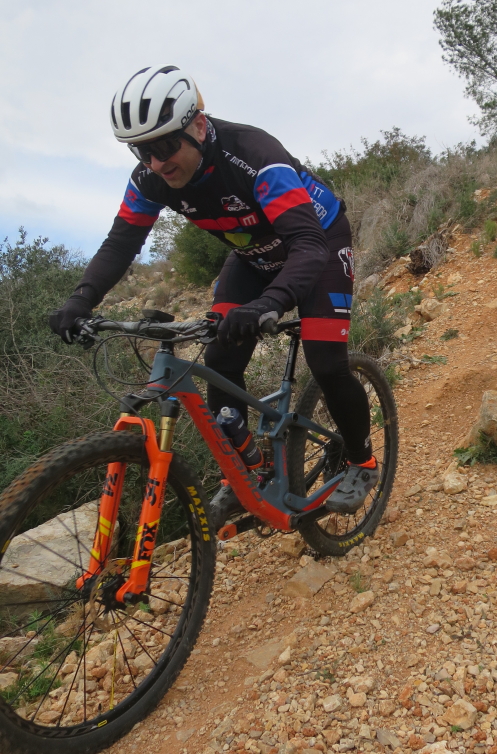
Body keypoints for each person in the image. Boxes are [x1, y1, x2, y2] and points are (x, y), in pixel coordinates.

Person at [49, 65, 378, 517]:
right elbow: (121, 243)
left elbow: (307, 244)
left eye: (165, 146)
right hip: (252, 255)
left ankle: (362, 461)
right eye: (141, 151)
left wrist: (269, 303)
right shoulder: (149, 178)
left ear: (199, 126)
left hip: (317, 243)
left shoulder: (255, 155)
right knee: (221, 358)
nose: (155, 163)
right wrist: (80, 299)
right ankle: (249, 472)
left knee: (325, 362)